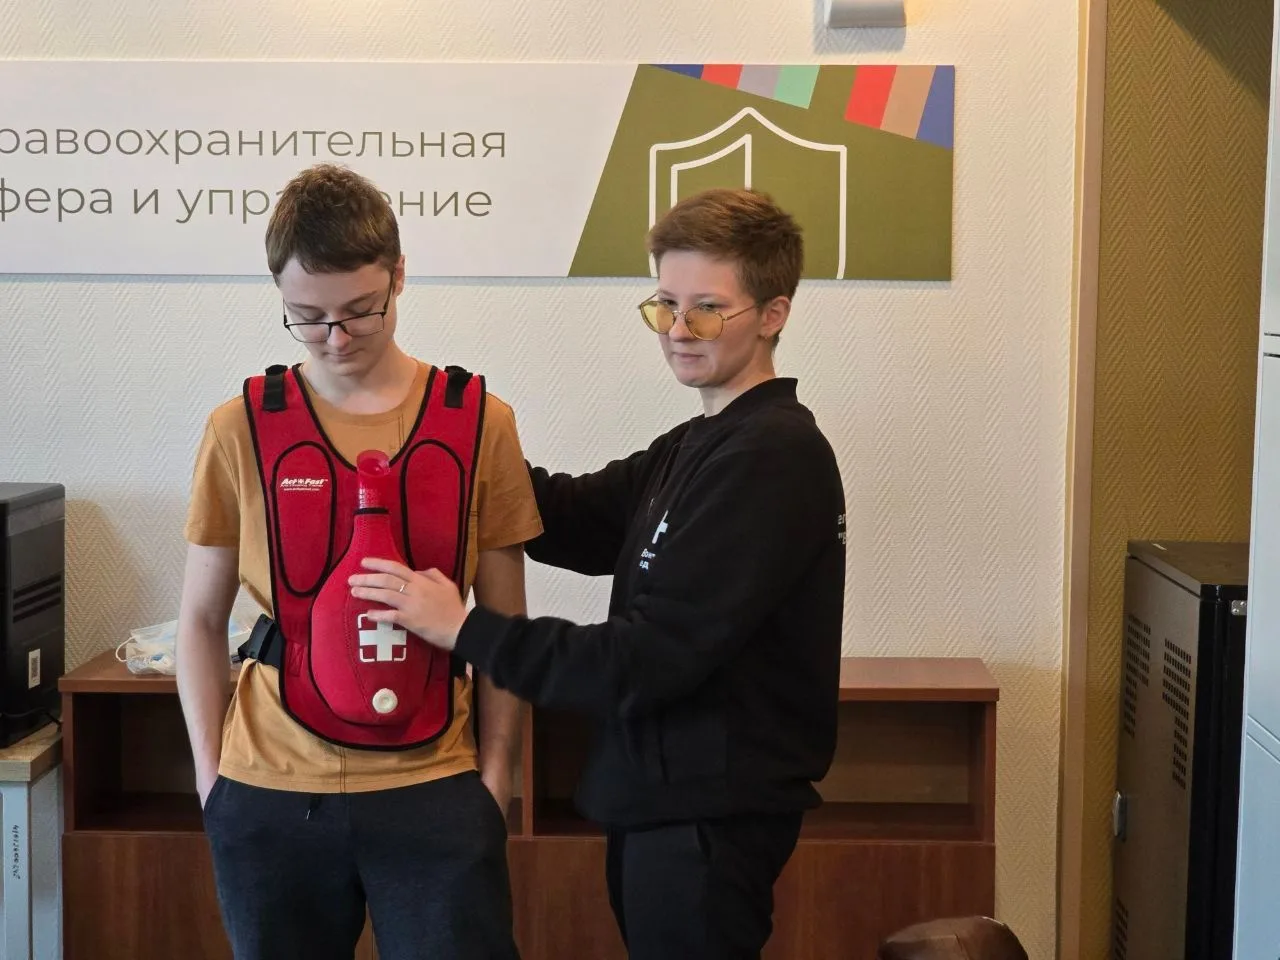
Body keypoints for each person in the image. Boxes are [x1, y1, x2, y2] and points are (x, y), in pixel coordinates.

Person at [350, 187, 847, 960]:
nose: (677, 331)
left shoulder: (773, 457)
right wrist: (448, 437)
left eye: (707, 310)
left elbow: (648, 657)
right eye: (665, 305)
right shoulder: (698, 443)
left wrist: (466, 629)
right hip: (663, 808)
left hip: (707, 818)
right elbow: (567, 514)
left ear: (773, 313)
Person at [175, 163, 541, 960]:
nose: (336, 338)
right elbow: (199, 620)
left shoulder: (481, 423)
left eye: (359, 311)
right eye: (307, 318)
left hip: (434, 785)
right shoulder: (240, 427)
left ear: (399, 275)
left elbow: (505, 622)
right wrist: (213, 783)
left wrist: (496, 781)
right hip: (269, 790)